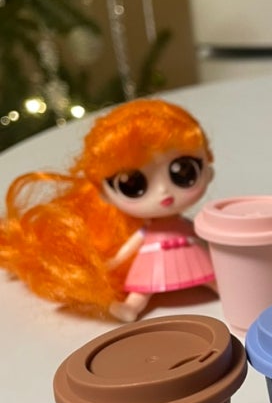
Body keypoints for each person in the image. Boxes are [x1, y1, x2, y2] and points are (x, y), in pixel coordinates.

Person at [0, 98, 216, 321]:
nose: (163, 192)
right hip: (154, 260)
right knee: (144, 287)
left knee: (211, 274)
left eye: (183, 172)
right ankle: (131, 307)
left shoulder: (184, 224)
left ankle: (225, 288)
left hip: (191, 252)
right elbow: (127, 250)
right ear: (104, 193)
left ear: (208, 169)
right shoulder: (145, 232)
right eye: (133, 184)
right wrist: (109, 264)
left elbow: (202, 236)